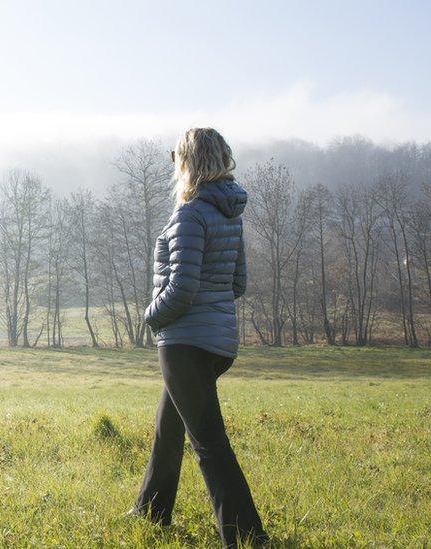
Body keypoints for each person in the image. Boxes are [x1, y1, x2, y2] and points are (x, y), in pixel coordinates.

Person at [130, 128, 268, 547]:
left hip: (184, 342)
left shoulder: (190, 215)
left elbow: (182, 287)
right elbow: (237, 283)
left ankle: (247, 536)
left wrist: (150, 317)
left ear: (189, 163)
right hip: (218, 341)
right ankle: (151, 513)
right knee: (167, 428)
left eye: (178, 159)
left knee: (208, 442)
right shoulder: (229, 214)